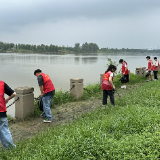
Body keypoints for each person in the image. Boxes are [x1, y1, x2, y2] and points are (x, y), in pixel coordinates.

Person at [0, 81, 16, 149]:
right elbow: (14, 94)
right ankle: (10, 149)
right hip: (1, 112)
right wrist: (7, 99)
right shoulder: (2, 84)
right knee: (4, 131)